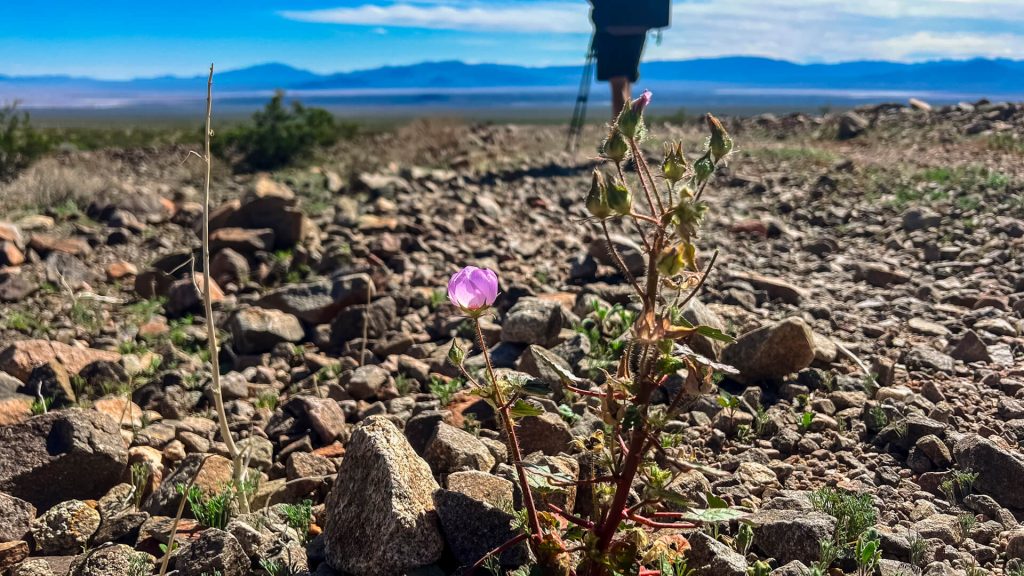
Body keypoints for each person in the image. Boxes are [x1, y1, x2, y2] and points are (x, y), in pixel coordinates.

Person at [589, 0, 671, 117]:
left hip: (611, 23)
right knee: (626, 80)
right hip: (639, 23)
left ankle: (622, 131)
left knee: (618, 83)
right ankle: (630, 128)